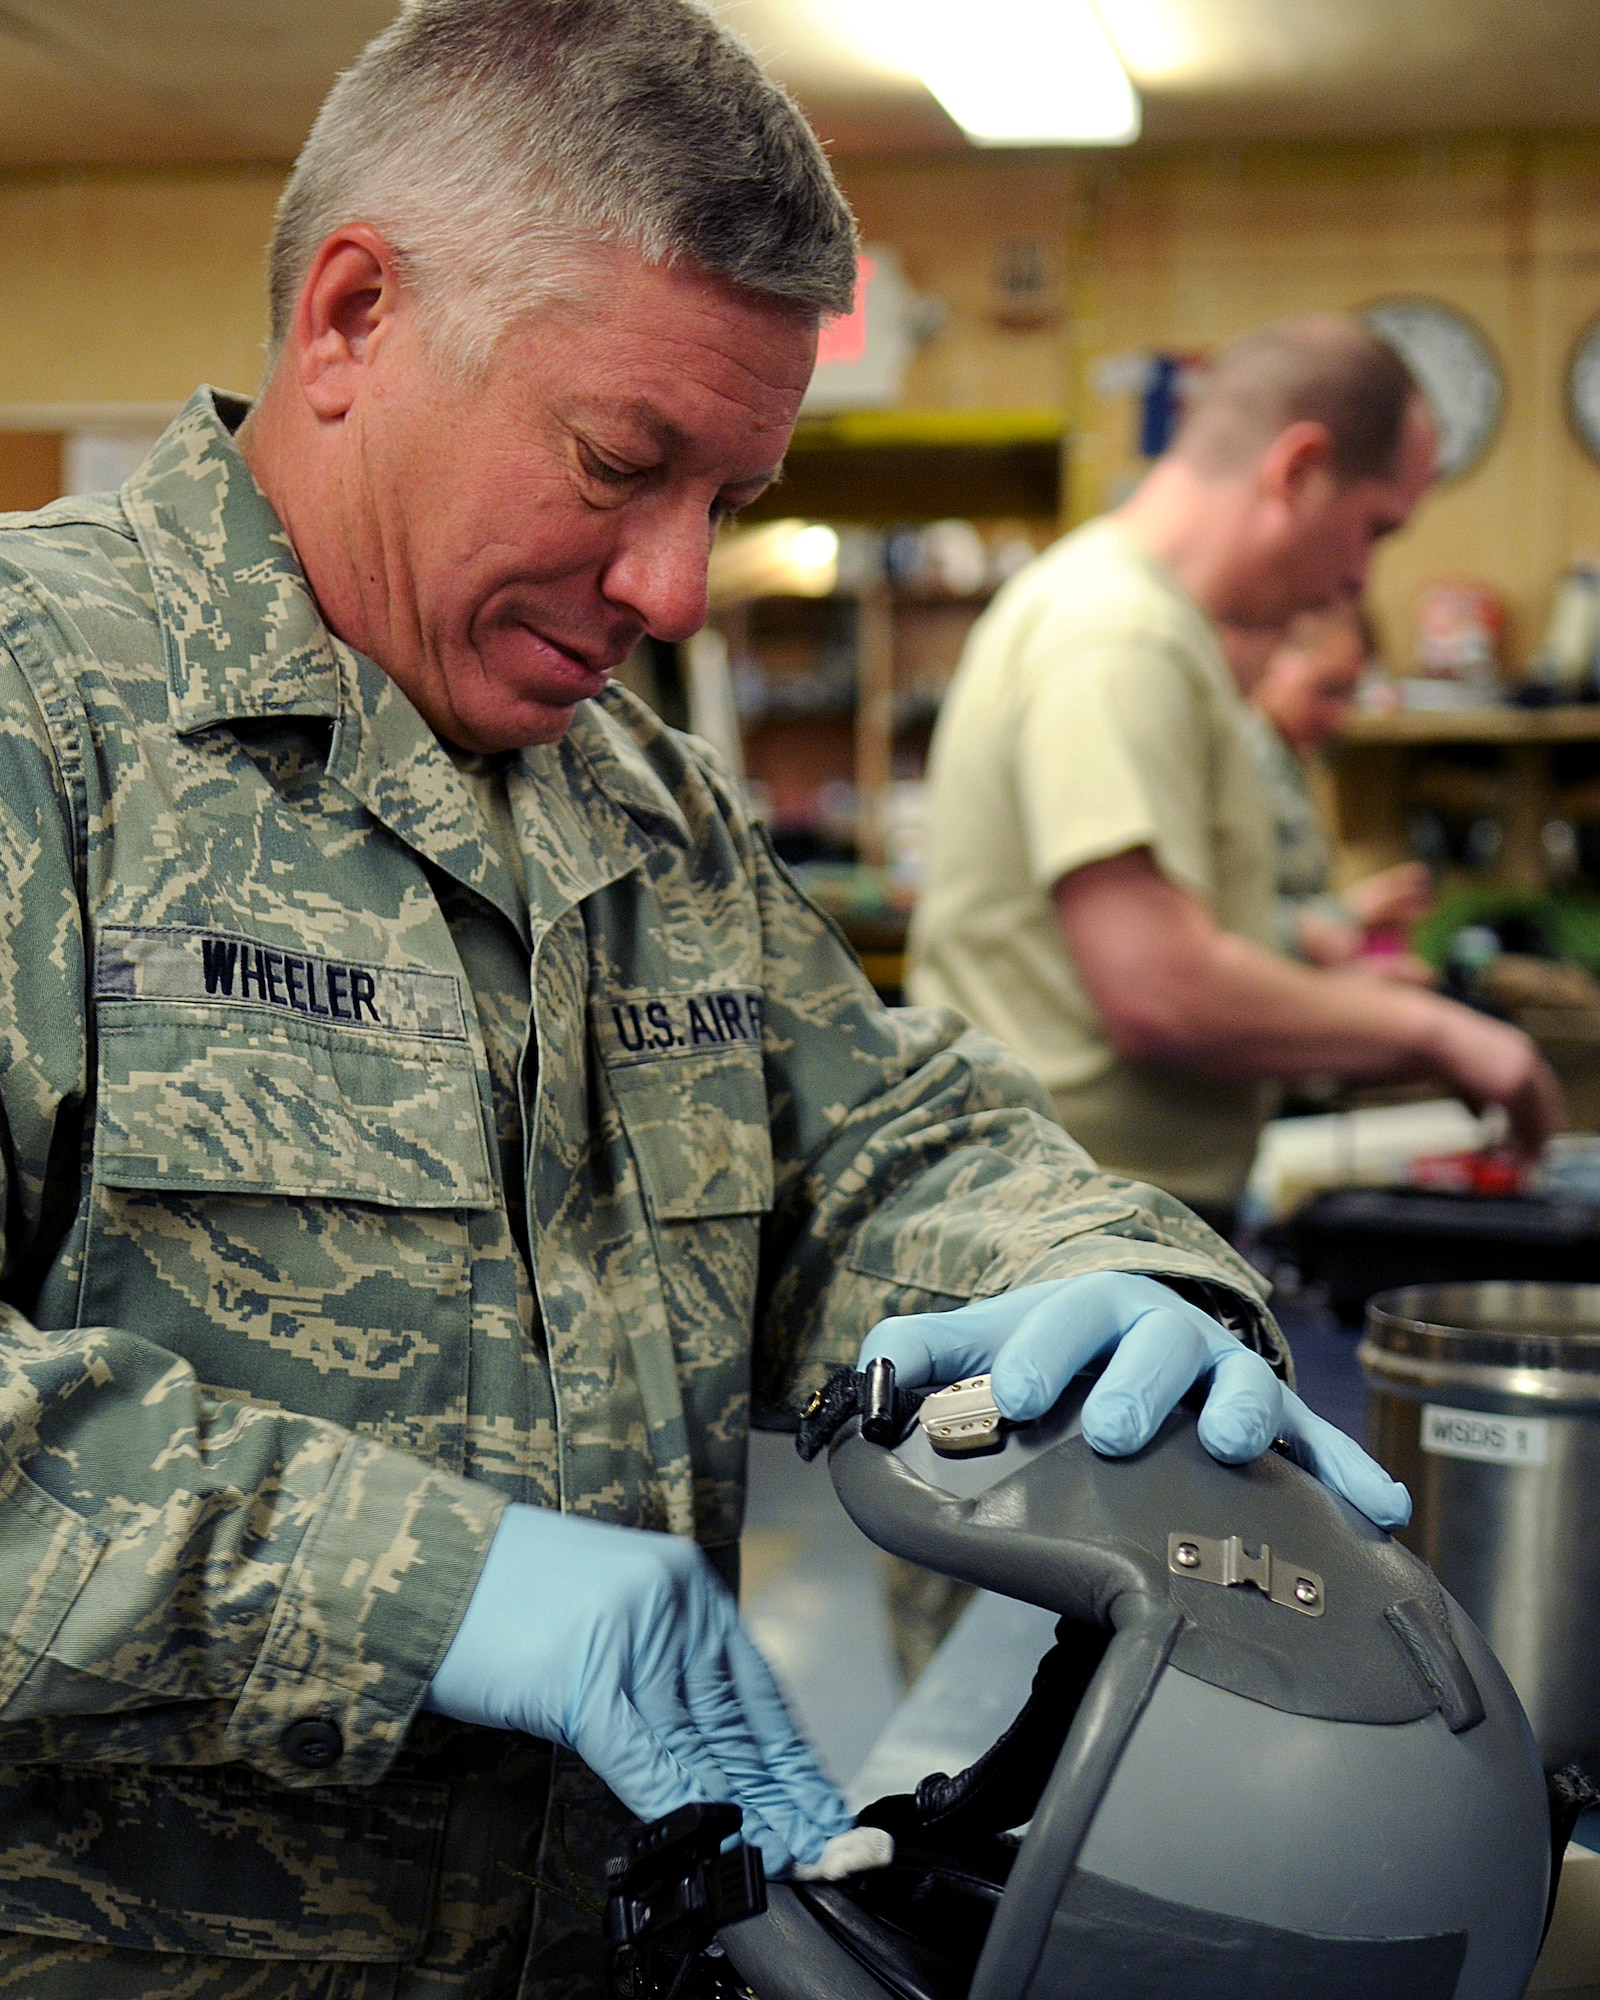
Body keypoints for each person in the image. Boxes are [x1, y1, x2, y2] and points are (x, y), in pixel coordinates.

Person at [0, 12, 1405, 1997]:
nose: (675, 588)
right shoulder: (33, 719)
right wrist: (441, 1589)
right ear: (351, 318)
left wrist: (1108, 1277)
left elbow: (885, 1145)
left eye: (728, 496)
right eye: (621, 461)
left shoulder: (639, 807)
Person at [909, 316, 1563, 1231]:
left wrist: (1337, 1004)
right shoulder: (1118, 632)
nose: (1353, 581)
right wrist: (1435, 1033)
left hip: (1092, 1202)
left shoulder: (1142, 623)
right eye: (1373, 529)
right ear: (1297, 472)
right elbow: (1159, 990)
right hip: (1075, 1218)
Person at [1238, 602, 1433, 975]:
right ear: (1274, 657)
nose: (1339, 717)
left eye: (1350, 696)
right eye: (1327, 690)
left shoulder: (1284, 758)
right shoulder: (1243, 755)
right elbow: (1222, 922)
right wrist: (1350, 912)